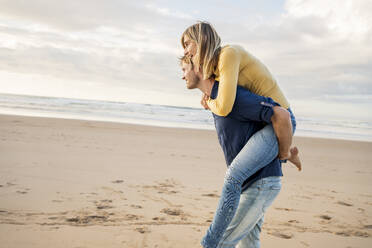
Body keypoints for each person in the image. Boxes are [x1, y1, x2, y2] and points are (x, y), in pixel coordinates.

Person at [180, 56, 295, 247]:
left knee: (218, 244)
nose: (182, 76)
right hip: (251, 184)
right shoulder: (217, 100)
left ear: (198, 68)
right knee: (249, 244)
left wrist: (284, 153)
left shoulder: (232, 97)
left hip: (260, 184)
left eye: (184, 70)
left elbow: (280, 115)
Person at [181, 21, 301, 168]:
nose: (185, 51)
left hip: (282, 119)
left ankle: (287, 154)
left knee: (238, 172)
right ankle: (288, 155)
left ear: (202, 39)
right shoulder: (215, 67)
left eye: (187, 44)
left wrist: (210, 103)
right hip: (264, 118)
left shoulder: (228, 54)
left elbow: (224, 108)